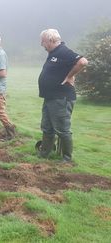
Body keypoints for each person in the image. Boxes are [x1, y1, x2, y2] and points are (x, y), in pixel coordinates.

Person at [37, 29, 88, 162]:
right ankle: (45, 153)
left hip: (61, 98)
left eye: (43, 41)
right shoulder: (53, 53)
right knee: (47, 126)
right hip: (50, 97)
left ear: (51, 40)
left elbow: (82, 62)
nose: (41, 44)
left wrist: (70, 76)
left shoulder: (63, 51)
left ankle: (67, 158)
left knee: (62, 129)